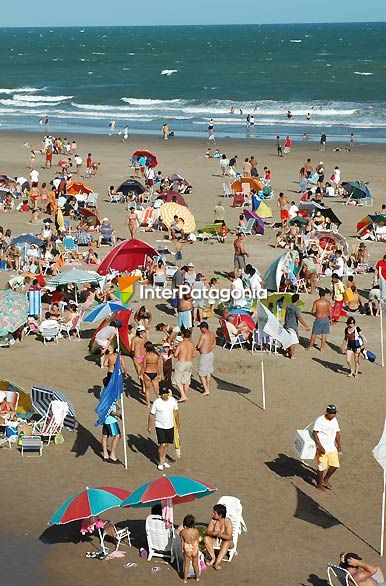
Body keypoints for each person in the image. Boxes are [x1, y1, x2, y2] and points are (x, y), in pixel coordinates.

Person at [148, 380, 179, 470]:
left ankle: (164, 459)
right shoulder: (157, 402)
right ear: (160, 394)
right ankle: (161, 461)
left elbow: (176, 412)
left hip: (170, 425)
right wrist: (149, 426)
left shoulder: (173, 401)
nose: (165, 395)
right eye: (163, 394)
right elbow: (151, 414)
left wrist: (178, 424)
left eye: (166, 393)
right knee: (162, 444)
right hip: (160, 426)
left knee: (167, 444)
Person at [312, 404, 341, 491]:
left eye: (334, 413)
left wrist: (339, 445)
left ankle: (326, 479)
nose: (333, 415)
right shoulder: (320, 420)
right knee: (321, 467)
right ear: (327, 412)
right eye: (331, 413)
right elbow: (314, 433)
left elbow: (337, 433)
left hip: (332, 447)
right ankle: (319, 484)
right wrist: (320, 446)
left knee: (335, 465)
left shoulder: (334, 420)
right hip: (322, 448)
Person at [204, 504, 233, 570]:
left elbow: (229, 537)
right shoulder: (213, 520)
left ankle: (217, 563)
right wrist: (213, 533)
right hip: (216, 540)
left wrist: (220, 535)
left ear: (220, 515)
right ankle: (213, 557)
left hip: (227, 542)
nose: (213, 514)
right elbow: (208, 532)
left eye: (215, 513)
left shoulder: (227, 521)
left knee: (226, 543)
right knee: (206, 539)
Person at [283, 294, 310, 359]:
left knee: (289, 339)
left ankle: (288, 352)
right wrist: (306, 326)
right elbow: (299, 318)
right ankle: (293, 355)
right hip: (292, 325)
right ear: (297, 300)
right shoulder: (296, 308)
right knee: (293, 341)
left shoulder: (288, 306)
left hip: (287, 324)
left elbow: (286, 315)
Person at [173, 328, 196, 402]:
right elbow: (194, 355)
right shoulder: (192, 344)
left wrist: (174, 349)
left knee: (177, 380)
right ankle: (185, 395)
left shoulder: (181, 344)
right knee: (186, 380)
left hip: (181, 362)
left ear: (182, 335)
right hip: (189, 362)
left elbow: (175, 355)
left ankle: (183, 396)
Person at [196, 321, 216, 395]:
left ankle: (206, 390)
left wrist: (197, 348)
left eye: (201, 328)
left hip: (204, 355)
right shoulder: (212, 334)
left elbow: (198, 346)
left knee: (201, 374)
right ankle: (207, 387)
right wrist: (208, 347)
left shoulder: (203, 335)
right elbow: (214, 345)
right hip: (210, 354)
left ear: (203, 328)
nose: (200, 330)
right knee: (208, 372)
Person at [180, 515, 200, 583]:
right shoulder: (196, 531)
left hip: (187, 547)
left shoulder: (183, 532)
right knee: (195, 564)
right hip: (194, 546)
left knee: (186, 565)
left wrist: (182, 550)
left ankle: (185, 579)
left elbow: (182, 542)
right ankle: (197, 577)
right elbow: (197, 540)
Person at [140, 341, 161, 408]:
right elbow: (159, 366)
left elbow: (144, 366)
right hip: (155, 372)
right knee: (156, 390)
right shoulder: (157, 355)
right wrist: (159, 374)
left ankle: (148, 404)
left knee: (147, 389)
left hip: (147, 373)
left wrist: (140, 374)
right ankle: (160, 401)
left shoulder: (146, 356)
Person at [101, 397, 122, 463]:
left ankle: (105, 454)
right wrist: (118, 415)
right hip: (111, 420)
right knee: (117, 435)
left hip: (105, 418)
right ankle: (112, 456)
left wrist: (116, 404)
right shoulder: (108, 393)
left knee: (105, 435)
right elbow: (107, 410)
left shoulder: (103, 391)